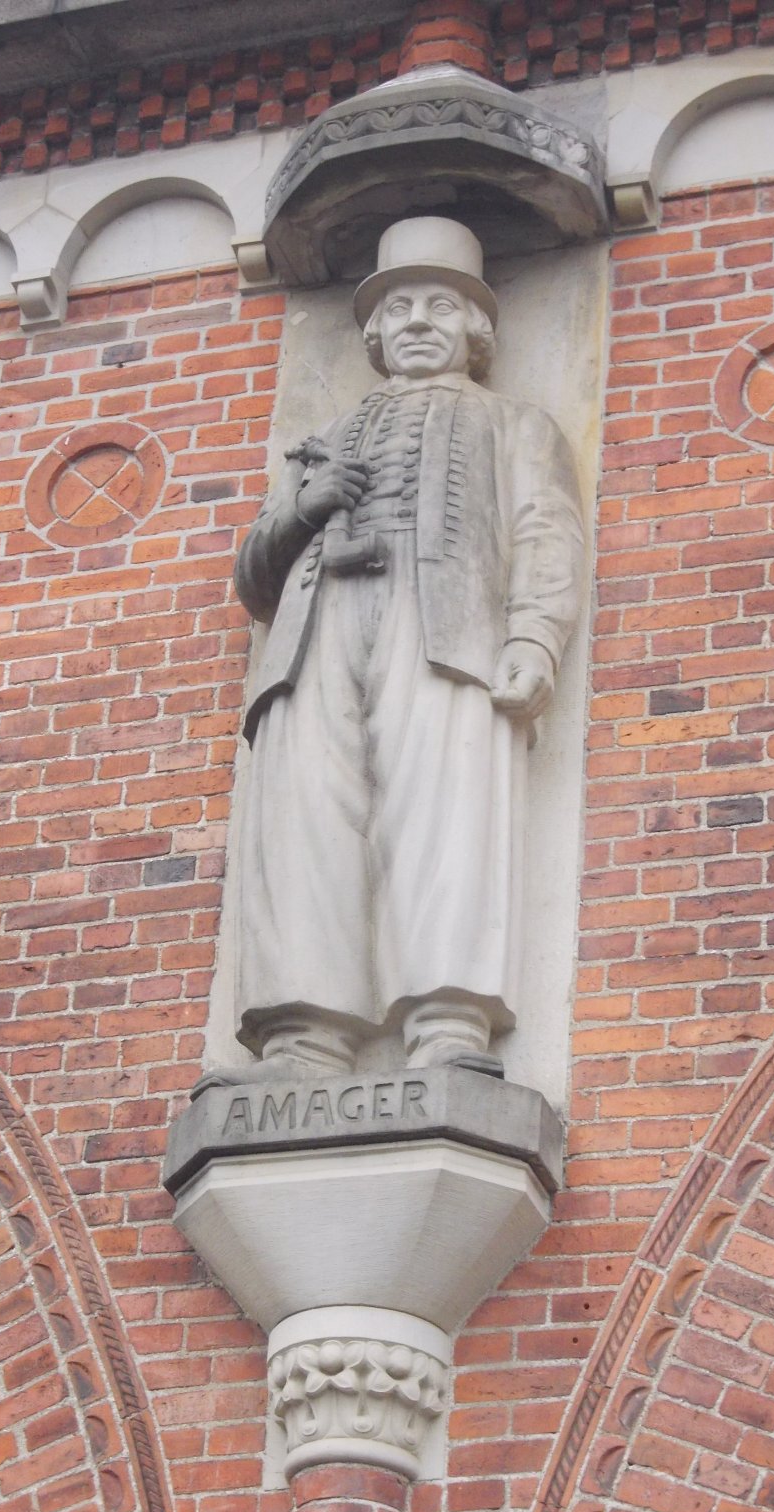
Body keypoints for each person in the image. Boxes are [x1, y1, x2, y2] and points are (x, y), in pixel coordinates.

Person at [231, 216, 585, 1080]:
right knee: (309, 818)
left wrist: (534, 637)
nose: (417, 321)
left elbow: (546, 534)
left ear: (477, 330)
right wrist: (303, 507)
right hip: (316, 634)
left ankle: (447, 1024)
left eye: (440, 306)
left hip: (446, 631)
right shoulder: (325, 441)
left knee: (446, 813)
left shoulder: (515, 424)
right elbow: (255, 578)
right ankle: (305, 1035)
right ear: (376, 336)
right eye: (397, 310)